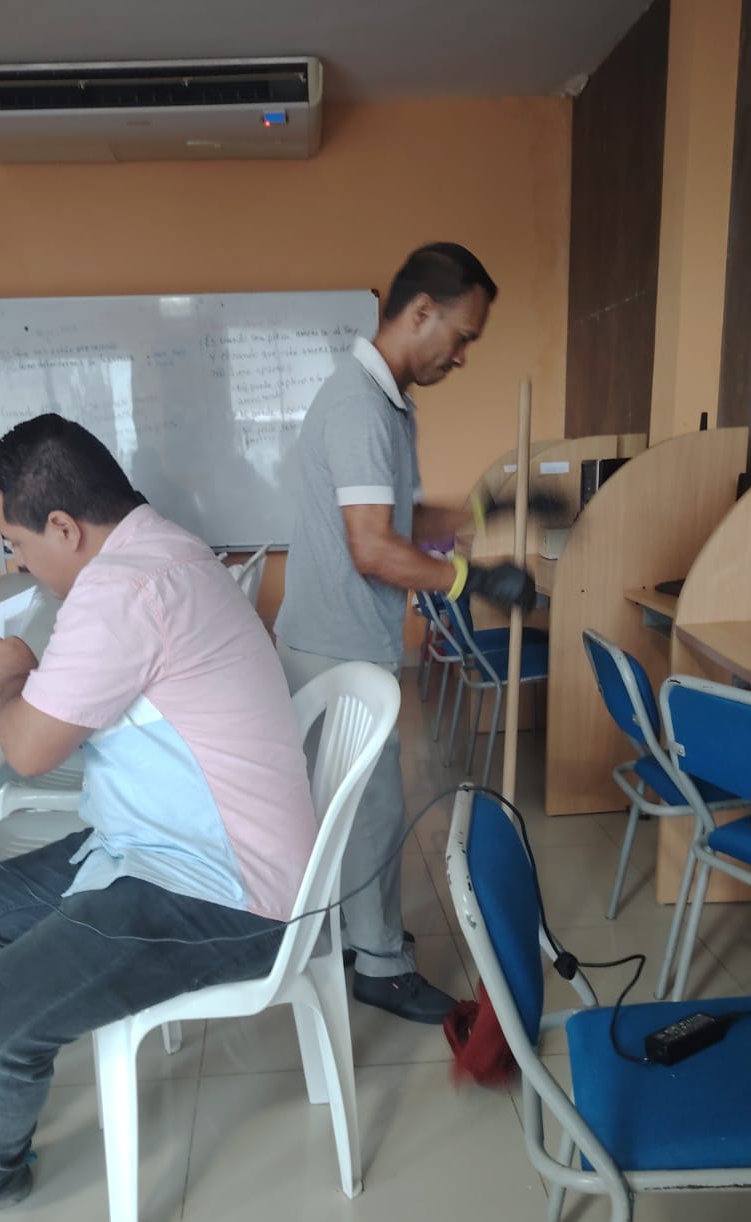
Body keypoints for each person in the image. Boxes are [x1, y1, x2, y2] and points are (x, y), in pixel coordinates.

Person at [0, 414, 317, 1221]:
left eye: (16, 543)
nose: (17, 562)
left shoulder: (122, 589)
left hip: (226, 891)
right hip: (170, 844)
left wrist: (10, 680)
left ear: (64, 526)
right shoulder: (162, 551)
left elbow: (28, 750)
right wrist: (22, 675)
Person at [276, 242, 535, 1024]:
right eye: (461, 336)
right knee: (371, 811)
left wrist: (486, 511)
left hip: (345, 639)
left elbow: (399, 518)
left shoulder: (384, 401)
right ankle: (380, 966)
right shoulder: (361, 405)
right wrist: (472, 580)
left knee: (362, 811)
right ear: (421, 311)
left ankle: (365, 941)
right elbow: (373, 547)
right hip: (337, 646)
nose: (461, 356)